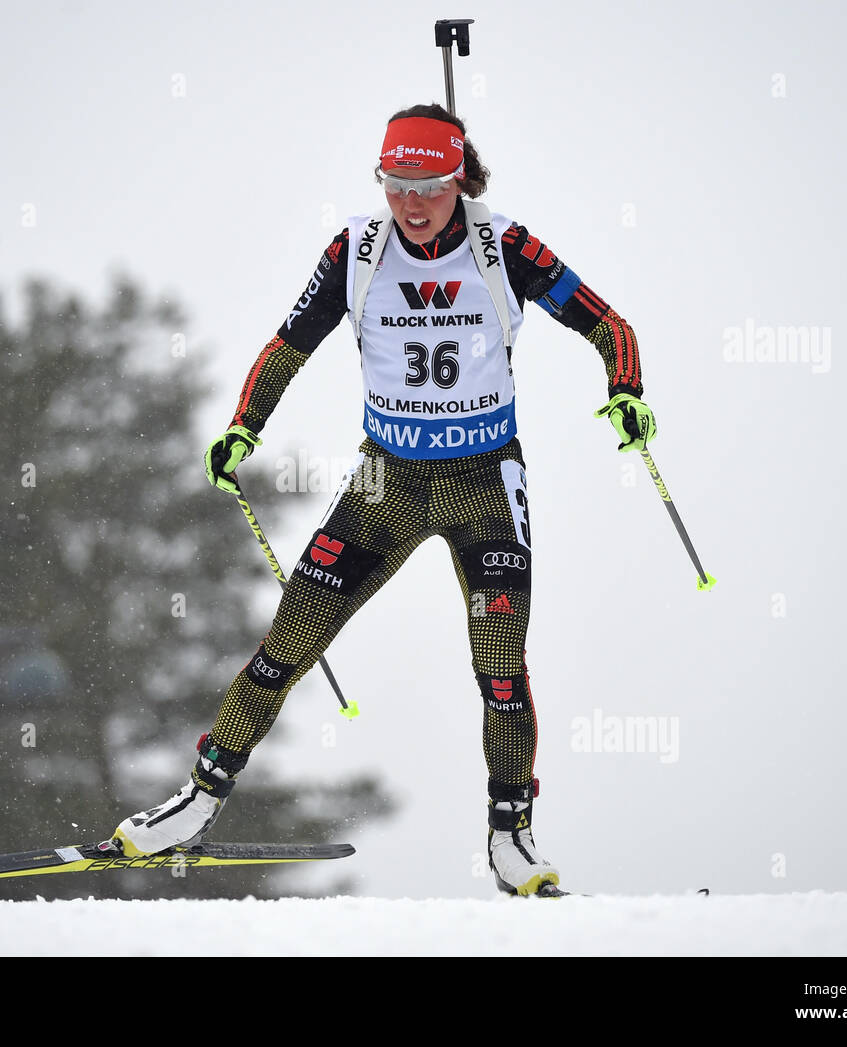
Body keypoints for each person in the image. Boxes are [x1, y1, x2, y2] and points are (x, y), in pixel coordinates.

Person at [101, 103, 655, 897]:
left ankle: (511, 834)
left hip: (483, 483)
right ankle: (198, 798)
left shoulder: (505, 247)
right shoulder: (356, 250)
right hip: (384, 481)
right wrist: (242, 428)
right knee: (286, 642)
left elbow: (609, 323)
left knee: (499, 665)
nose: (411, 205)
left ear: (458, 178)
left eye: (427, 185)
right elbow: (288, 345)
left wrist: (626, 390)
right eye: (395, 185)